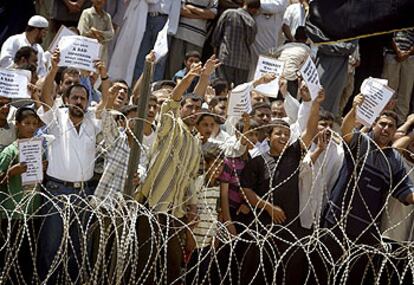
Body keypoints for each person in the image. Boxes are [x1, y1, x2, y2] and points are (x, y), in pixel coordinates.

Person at [321, 95, 414, 283]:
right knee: (325, 273)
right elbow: (346, 131)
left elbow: (406, 192)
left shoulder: (394, 160)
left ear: (396, 131)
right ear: (373, 125)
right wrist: (354, 108)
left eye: (391, 126)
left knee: (352, 278)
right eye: (382, 124)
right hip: (337, 222)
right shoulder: (361, 143)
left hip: (366, 232)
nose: (386, 128)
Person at [37, 50, 109, 282]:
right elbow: (46, 95)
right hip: (57, 191)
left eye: (83, 98)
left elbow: (105, 103)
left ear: (87, 102)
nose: (78, 101)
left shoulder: (92, 122)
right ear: (67, 100)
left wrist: (104, 78)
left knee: (79, 248)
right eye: (74, 97)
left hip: (83, 192)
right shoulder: (56, 118)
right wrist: (54, 68)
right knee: (51, 245)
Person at [239, 88, 324, 284]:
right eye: (279, 133)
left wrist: (315, 104)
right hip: (263, 225)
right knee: (259, 271)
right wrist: (268, 207)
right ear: (268, 137)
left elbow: (309, 131)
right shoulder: (258, 162)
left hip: (290, 226)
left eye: (287, 134)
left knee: (286, 271)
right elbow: (246, 190)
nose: (284, 137)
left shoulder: (293, 155)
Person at [0, 107, 46, 284]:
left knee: (27, 257)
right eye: (27, 123)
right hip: (13, 213)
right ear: (17, 125)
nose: (31, 127)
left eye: (34, 124)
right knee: (11, 257)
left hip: (32, 211)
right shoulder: (10, 151)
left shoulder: (38, 150)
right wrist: (12, 172)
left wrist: (44, 168)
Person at [212, 0, 260, 86]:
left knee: (222, 88)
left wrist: (215, 55)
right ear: (254, 10)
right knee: (239, 92)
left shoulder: (228, 13)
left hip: (226, 58)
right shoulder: (252, 22)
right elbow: (250, 41)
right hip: (243, 63)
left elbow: (216, 36)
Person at [166, 0, 218, 79]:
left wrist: (191, 8)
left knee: (193, 71)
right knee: (173, 68)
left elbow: (212, 14)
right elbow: (181, 9)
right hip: (180, 34)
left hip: (197, 39)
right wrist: (201, 15)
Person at [248, 0, 288, 79]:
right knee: (253, 70)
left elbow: (278, 6)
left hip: (271, 37)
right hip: (256, 34)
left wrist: (257, 5)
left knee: (268, 69)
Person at [382, 29, 414, 122]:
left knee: (405, 92)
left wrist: (407, 53)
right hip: (392, 54)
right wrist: (398, 51)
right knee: (388, 90)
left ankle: (399, 124)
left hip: (411, 57)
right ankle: (384, 120)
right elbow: (388, 33)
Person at [77, 0, 114, 65]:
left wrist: (98, 32)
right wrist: (100, 38)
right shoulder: (87, 13)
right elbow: (82, 32)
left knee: (99, 72)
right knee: (85, 72)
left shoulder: (107, 16)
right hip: (87, 52)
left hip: (102, 53)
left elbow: (111, 34)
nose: (99, 0)